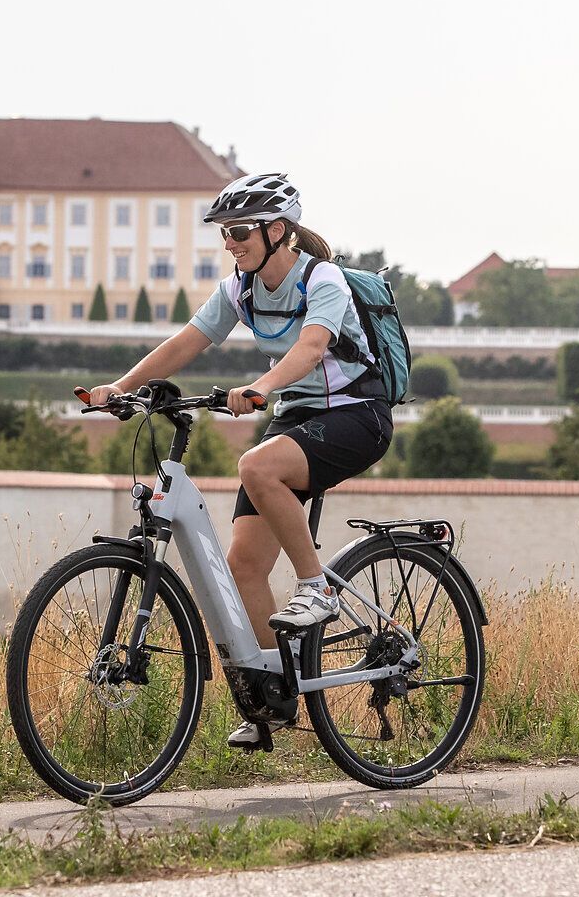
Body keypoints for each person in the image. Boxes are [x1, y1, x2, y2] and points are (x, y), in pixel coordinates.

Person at [86, 171, 394, 748]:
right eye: (226, 234)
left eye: (242, 232)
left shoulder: (321, 279)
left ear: (279, 231)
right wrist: (119, 387)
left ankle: (318, 587)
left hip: (358, 414)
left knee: (255, 465)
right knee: (243, 568)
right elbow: (186, 342)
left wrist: (260, 386)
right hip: (300, 416)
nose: (232, 243)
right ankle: (275, 697)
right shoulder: (241, 288)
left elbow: (311, 347)